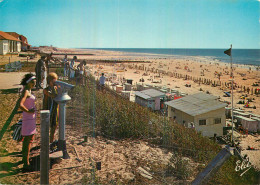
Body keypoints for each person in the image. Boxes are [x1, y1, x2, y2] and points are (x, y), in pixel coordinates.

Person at [19, 73, 37, 169]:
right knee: (28, 140)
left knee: (27, 140)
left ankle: (24, 160)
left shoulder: (28, 90)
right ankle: (26, 163)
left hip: (30, 118)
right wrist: (28, 111)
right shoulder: (26, 91)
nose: (35, 83)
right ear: (29, 82)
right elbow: (20, 105)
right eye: (33, 82)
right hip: (28, 118)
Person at [43, 72, 59, 143]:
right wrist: (53, 88)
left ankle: (51, 142)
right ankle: (47, 142)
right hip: (48, 109)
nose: (55, 83)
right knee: (47, 127)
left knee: (54, 127)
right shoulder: (46, 90)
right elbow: (53, 95)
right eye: (54, 81)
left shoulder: (57, 88)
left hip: (55, 110)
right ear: (50, 82)